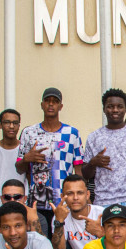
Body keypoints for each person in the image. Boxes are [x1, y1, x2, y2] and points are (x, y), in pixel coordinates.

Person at [16, 87, 84, 234]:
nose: (51, 104)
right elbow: (19, 168)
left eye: (55, 101)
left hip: (64, 201)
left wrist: (82, 198)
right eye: (47, 101)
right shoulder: (29, 132)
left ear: (61, 106)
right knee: (39, 242)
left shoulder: (72, 133)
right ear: (42, 105)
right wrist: (27, 159)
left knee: (62, 243)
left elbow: (78, 169)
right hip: (37, 202)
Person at [82, 88, 126, 216]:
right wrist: (93, 163)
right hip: (103, 202)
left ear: (125, 109)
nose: (115, 110)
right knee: (105, 236)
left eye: (119, 106)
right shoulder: (93, 137)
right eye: (110, 106)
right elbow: (85, 174)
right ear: (104, 109)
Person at [0, 109, 27, 211]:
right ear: (0, 125)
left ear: (19, 126)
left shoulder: (25, 150)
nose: (11, 126)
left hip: (21, 203)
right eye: (7, 122)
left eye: (15, 123)